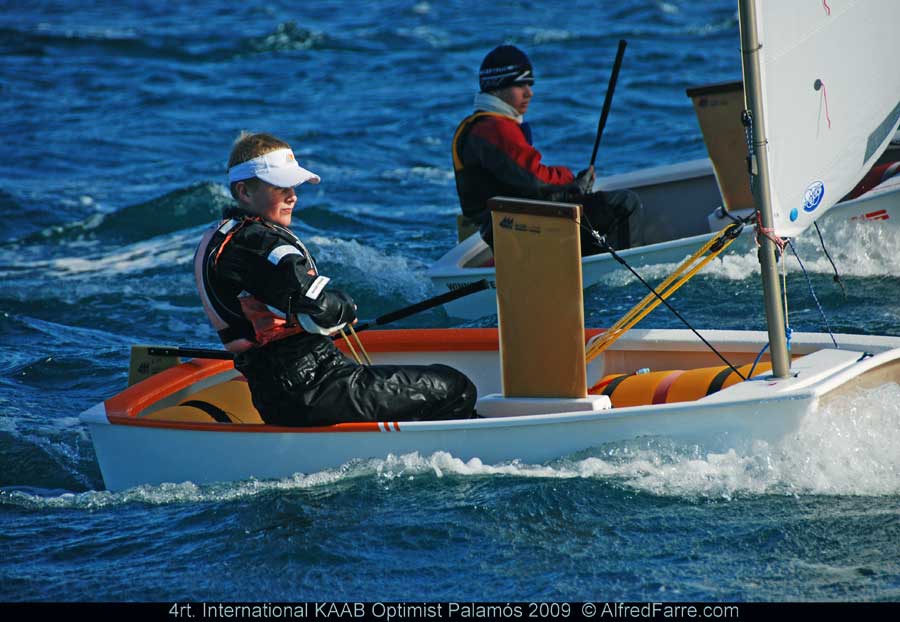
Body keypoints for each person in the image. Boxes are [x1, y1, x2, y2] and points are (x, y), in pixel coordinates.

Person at [194, 132, 477, 426]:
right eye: (280, 187)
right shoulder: (260, 245)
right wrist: (346, 306)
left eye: (293, 186)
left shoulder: (224, 235)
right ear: (244, 192)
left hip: (289, 387)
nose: (293, 196)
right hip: (310, 389)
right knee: (456, 387)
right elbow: (317, 304)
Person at [452, 44, 644, 254]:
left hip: (507, 225)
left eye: (530, 85)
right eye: (520, 85)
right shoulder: (494, 128)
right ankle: (622, 272)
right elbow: (536, 181)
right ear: (497, 88)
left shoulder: (477, 126)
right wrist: (571, 181)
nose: (529, 93)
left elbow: (521, 185)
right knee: (625, 204)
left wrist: (572, 189)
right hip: (521, 227)